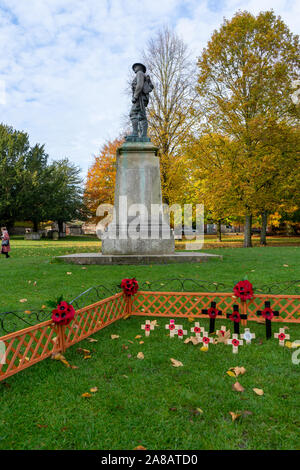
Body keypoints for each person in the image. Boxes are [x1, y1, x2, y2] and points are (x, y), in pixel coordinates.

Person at [129, 62, 154, 138]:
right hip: (143, 99)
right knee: (142, 117)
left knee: (133, 113)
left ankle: (135, 133)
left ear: (139, 67)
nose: (134, 69)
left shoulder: (139, 73)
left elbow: (139, 85)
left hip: (139, 98)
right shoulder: (143, 75)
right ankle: (143, 135)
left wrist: (135, 97)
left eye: (135, 67)